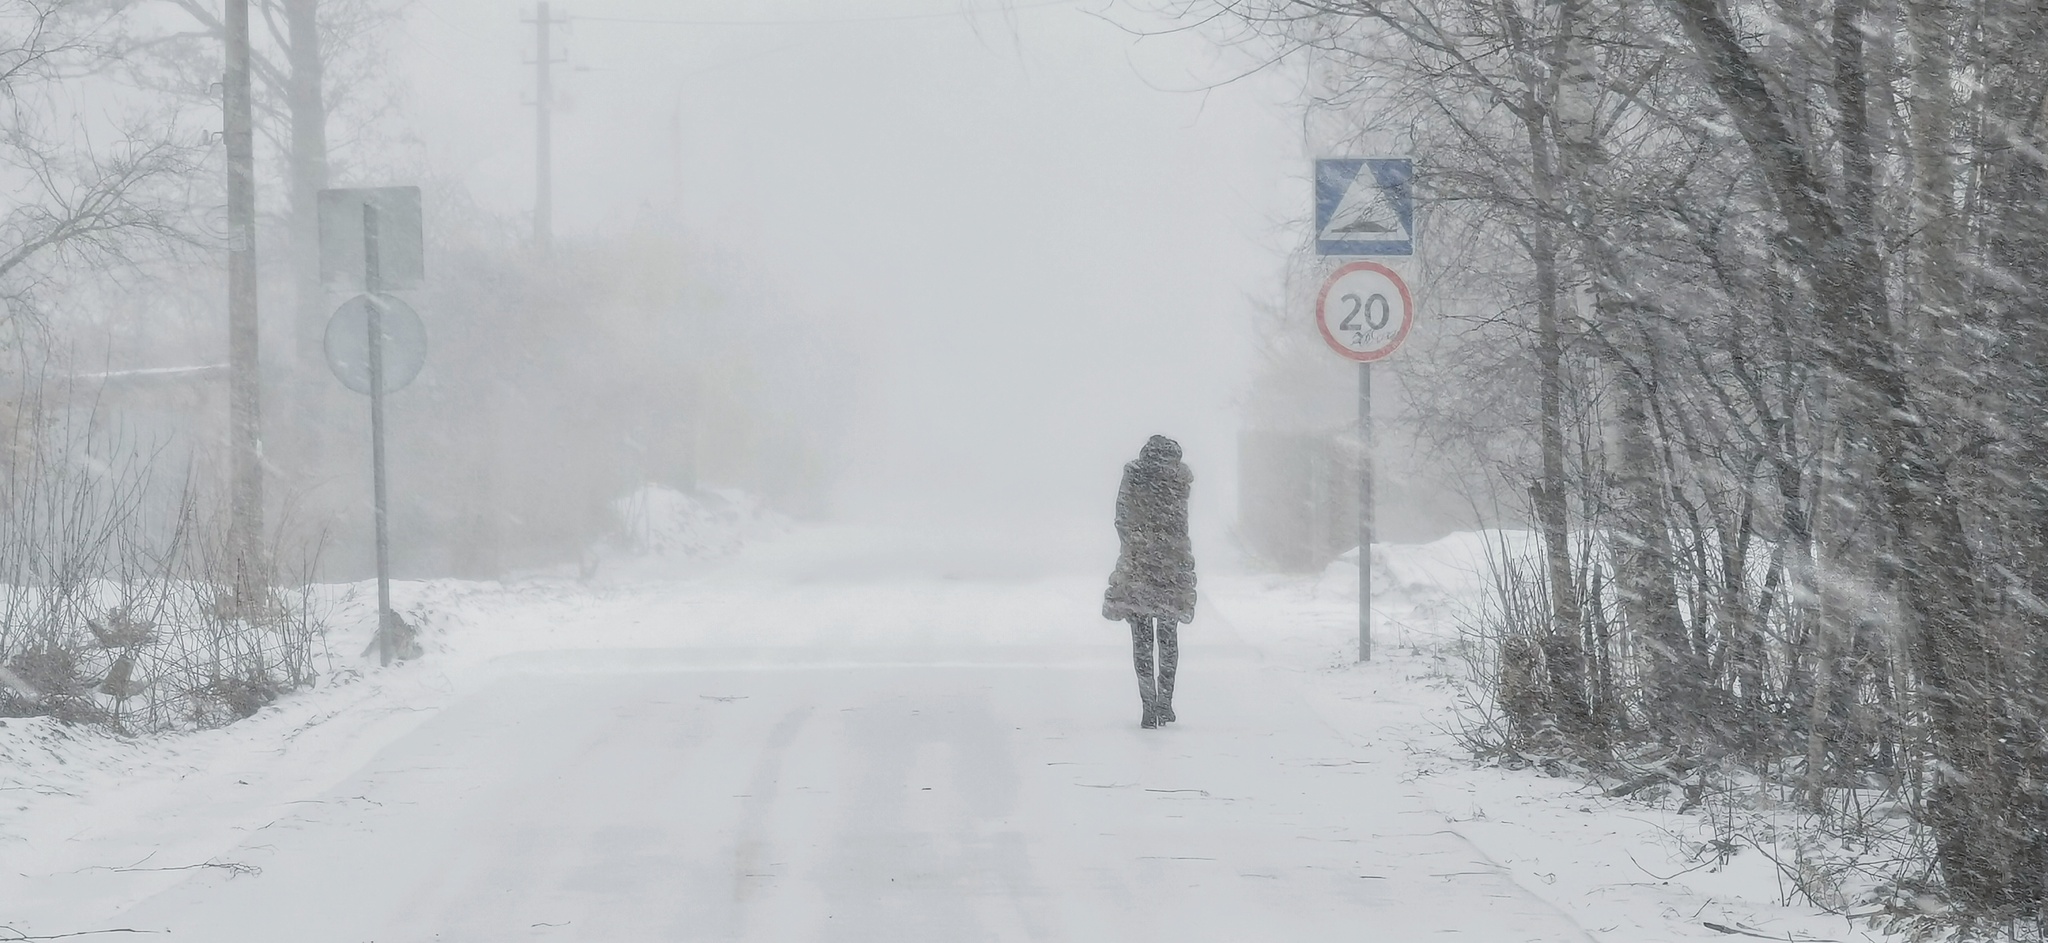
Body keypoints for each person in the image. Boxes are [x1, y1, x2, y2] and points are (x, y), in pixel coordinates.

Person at [1102, 435, 1196, 729]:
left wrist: (1135, 544)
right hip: (1171, 565)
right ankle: (1165, 702)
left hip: (1139, 563)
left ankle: (1148, 703)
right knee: (1168, 636)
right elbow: (1180, 524)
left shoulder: (1135, 476)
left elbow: (1122, 518)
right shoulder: (1178, 480)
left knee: (1141, 637)